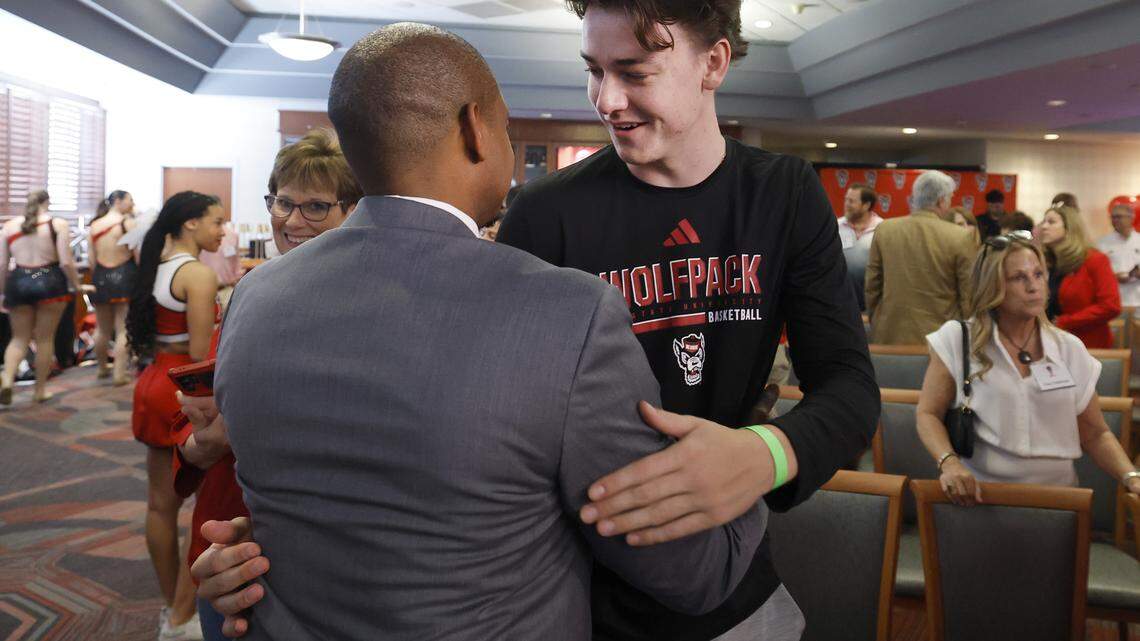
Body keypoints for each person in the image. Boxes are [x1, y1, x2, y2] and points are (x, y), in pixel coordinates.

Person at [197, 22, 765, 641]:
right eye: (507, 128)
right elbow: (690, 571)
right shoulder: (569, 314)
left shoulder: (254, 299)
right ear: (475, 129)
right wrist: (750, 466)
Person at [497, 1, 877, 639]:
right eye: (594, 70)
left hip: (730, 584)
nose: (607, 100)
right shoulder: (545, 213)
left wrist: (762, 455)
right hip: (577, 595)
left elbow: (849, 387)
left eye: (635, 72)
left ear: (713, 64)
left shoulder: (782, 193)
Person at [172, 128, 362, 641]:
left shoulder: (374, 303)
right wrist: (198, 441)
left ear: (354, 210)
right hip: (232, 521)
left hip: (325, 535)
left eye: (315, 207)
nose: (292, 221)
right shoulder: (250, 292)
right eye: (283, 202)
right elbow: (201, 406)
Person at [915, 231, 1140, 505]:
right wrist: (949, 462)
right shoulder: (958, 338)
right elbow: (928, 414)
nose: (1034, 286)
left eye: (1038, 274)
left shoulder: (1068, 348)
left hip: (1058, 500)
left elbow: (1095, 433)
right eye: (1019, 277)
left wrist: (1131, 476)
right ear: (992, 285)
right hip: (980, 496)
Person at [127, 191, 225, 640]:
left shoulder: (157, 265)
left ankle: (172, 606)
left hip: (153, 380)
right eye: (216, 221)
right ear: (191, 224)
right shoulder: (198, 275)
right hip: (184, 391)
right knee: (205, 504)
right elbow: (203, 354)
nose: (222, 230)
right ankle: (184, 615)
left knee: (160, 504)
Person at [866, 170, 975, 345]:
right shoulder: (960, 236)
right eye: (949, 199)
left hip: (889, 336)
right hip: (942, 341)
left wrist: (878, 321)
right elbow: (968, 295)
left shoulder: (885, 229)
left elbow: (872, 286)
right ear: (941, 201)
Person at [0, 190, 85, 404]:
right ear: (47, 202)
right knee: (45, 339)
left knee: (18, 338)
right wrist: (77, 285)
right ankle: (39, 390)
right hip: (50, 281)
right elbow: (66, 262)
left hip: (19, 281)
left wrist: (2, 292)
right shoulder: (58, 224)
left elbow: (2, 264)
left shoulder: (9, 226)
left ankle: (7, 379)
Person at [1037, 205, 1121, 348]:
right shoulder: (1045, 261)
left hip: (1086, 343)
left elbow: (1110, 306)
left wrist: (1065, 321)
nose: (1044, 226)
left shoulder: (1094, 259)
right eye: (1043, 221)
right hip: (1050, 341)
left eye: (1051, 222)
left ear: (1069, 228)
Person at [88, 189, 138, 386]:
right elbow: (137, 255)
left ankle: (102, 368)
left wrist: (99, 276)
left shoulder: (95, 225)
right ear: (118, 201)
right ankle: (119, 373)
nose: (132, 203)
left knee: (102, 328)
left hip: (100, 276)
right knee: (123, 329)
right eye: (130, 199)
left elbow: (91, 259)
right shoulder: (128, 223)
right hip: (124, 275)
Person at [839, 183, 883, 310]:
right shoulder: (836, 226)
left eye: (852, 201)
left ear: (866, 205)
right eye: (846, 200)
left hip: (871, 300)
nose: (847, 204)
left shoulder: (882, 228)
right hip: (841, 300)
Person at [1096, 203, 1140, 307]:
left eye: (1119, 217)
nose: (1115, 220)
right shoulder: (1102, 243)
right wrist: (1113, 277)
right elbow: (1097, 273)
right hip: (1115, 301)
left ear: (1131, 218)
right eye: (1112, 217)